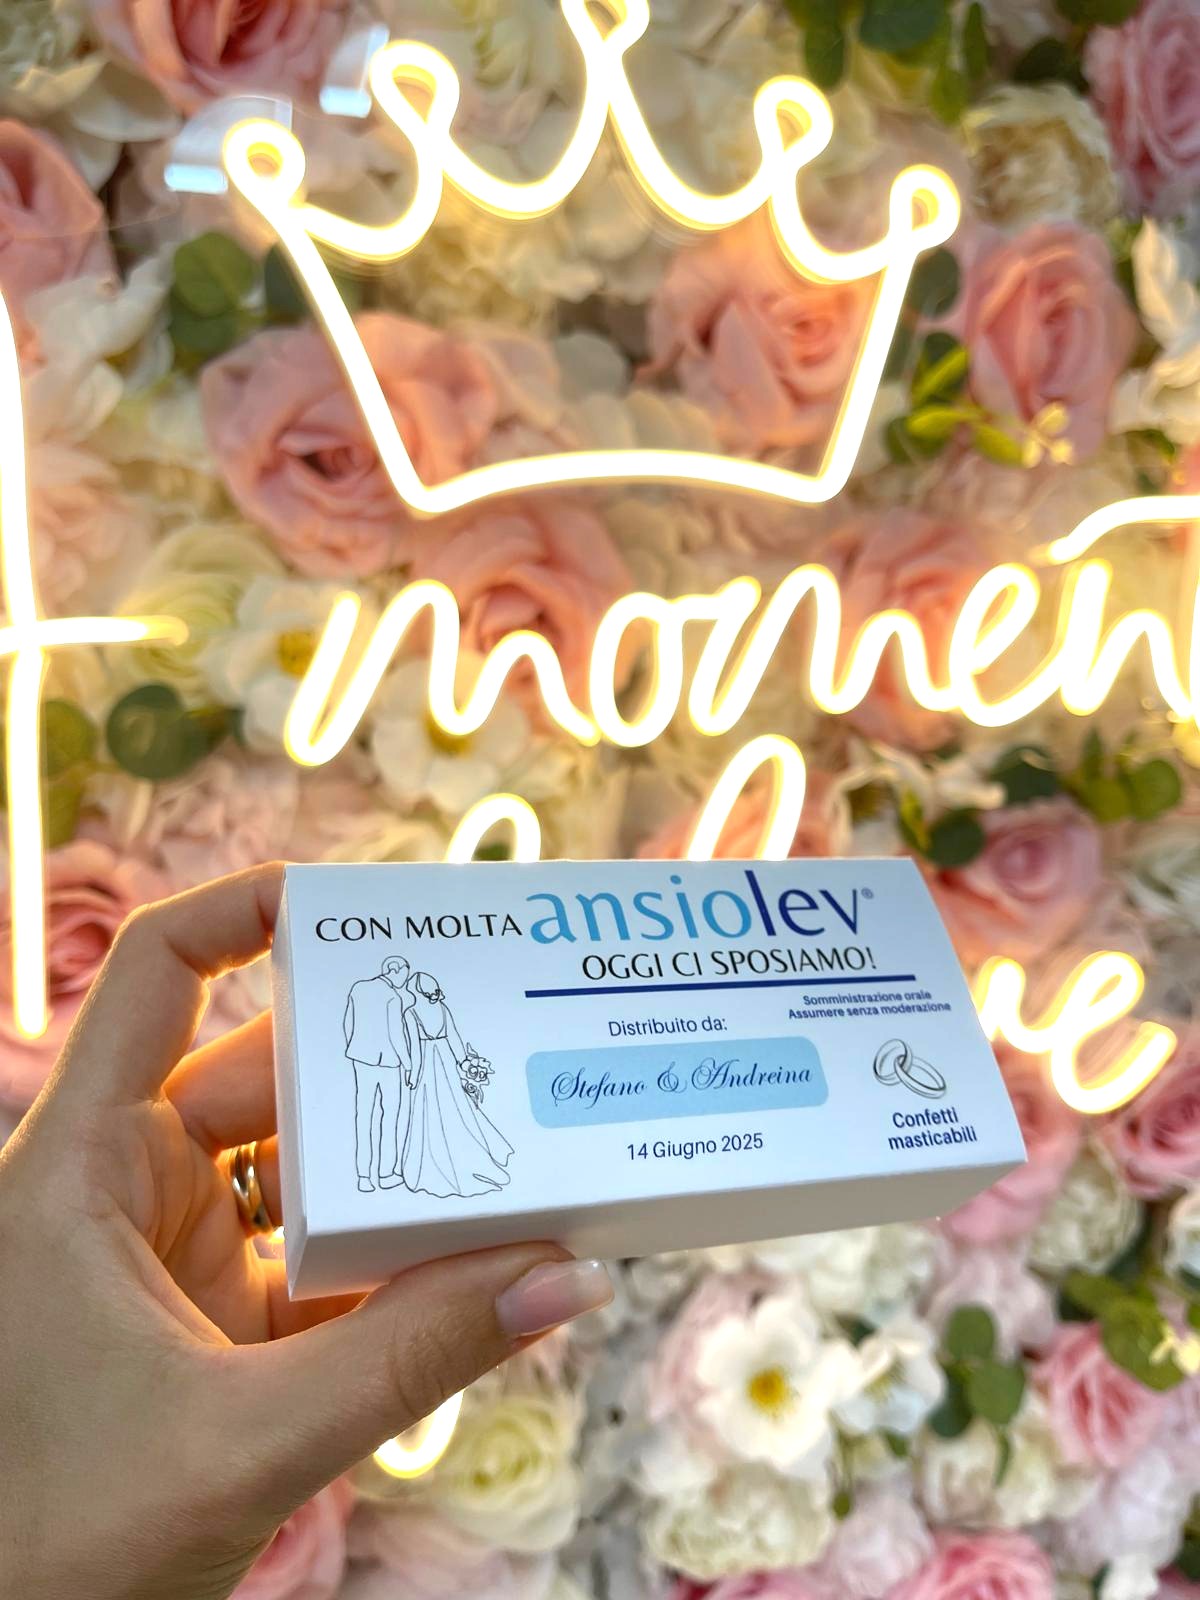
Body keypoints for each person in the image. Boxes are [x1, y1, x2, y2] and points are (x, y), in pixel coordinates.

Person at [0, 864, 612, 1599]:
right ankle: (393, 1170)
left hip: (414, 1072)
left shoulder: (421, 1003)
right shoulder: (368, 994)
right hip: (375, 1068)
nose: (403, 975)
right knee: (389, 1137)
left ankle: (399, 1170)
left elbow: (440, 1035)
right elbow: (360, 1031)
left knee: (419, 1139)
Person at [401, 971, 514, 1198]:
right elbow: (454, 1037)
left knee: (431, 1110)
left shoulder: (411, 1013)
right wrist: (464, 1062)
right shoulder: (442, 1009)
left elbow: (415, 1049)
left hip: (428, 1063)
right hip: (446, 1059)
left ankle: (438, 1162)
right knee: (456, 1107)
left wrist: (413, 1075)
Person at [343, 954, 411, 1191]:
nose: (406, 978)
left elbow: (348, 1024)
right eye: (405, 972)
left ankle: (363, 1177)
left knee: (363, 1116)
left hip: (361, 1059)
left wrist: (355, 1048)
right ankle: (386, 1174)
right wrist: (408, 1064)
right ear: (395, 969)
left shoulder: (358, 988)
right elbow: (396, 1034)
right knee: (389, 1117)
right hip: (388, 1063)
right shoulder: (392, 996)